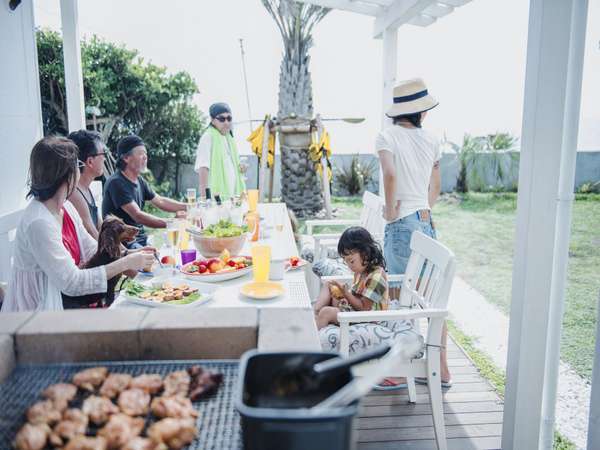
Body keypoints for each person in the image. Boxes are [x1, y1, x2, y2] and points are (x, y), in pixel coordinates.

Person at [1, 137, 154, 312]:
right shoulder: (39, 222)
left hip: (69, 301)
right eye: (77, 165)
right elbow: (72, 282)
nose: (79, 171)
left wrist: (131, 253)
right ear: (67, 174)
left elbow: (91, 248)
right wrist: (126, 263)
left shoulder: (64, 207)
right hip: (40, 314)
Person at [375, 78, 451, 388]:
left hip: (402, 222)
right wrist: (425, 207)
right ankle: (442, 369)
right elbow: (436, 183)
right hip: (425, 220)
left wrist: (392, 211)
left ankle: (396, 370)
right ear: (421, 112)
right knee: (430, 297)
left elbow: (390, 174)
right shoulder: (432, 139)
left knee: (398, 295)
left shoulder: (385, 136)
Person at [102, 135, 187, 248]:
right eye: (141, 153)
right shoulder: (116, 183)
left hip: (140, 239)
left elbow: (160, 201)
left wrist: (189, 207)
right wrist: (172, 223)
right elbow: (138, 215)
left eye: (146, 153)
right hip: (124, 244)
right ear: (126, 158)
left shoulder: (139, 180)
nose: (145, 157)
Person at [313, 227, 388, 330]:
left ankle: (315, 337)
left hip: (368, 319)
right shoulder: (361, 272)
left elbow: (364, 309)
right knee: (329, 285)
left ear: (365, 253)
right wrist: (342, 293)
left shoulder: (376, 277)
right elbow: (356, 297)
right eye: (346, 261)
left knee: (326, 312)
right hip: (354, 311)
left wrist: (345, 293)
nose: (349, 266)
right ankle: (315, 315)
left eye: (351, 261)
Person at [195, 103, 247, 199]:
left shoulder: (230, 138)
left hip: (234, 198)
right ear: (212, 120)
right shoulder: (208, 137)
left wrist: (241, 167)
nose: (226, 122)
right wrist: (205, 199)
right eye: (222, 119)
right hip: (216, 199)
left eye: (229, 118)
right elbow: (203, 168)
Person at [67, 129, 106, 239]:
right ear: (90, 162)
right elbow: (92, 233)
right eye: (103, 153)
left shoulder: (86, 189)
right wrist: (125, 255)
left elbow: (101, 228)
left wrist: (126, 251)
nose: (105, 158)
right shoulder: (75, 194)